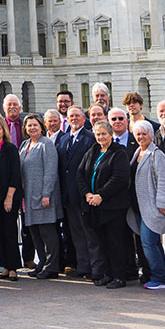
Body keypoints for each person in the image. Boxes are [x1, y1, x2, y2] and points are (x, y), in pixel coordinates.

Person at [80, 120, 134, 288]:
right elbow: (80, 173)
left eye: (104, 133)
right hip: (94, 206)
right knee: (102, 242)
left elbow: (119, 178)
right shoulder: (93, 150)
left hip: (113, 206)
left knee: (116, 242)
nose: (101, 137)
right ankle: (107, 274)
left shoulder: (119, 152)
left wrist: (101, 195)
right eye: (98, 134)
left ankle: (119, 276)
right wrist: (87, 193)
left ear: (111, 134)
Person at [130, 120, 165, 289]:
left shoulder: (157, 154)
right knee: (152, 243)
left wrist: (161, 202)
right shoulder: (137, 152)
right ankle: (161, 274)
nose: (141, 137)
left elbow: (164, 180)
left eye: (144, 134)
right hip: (139, 206)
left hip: (153, 206)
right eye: (138, 134)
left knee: (149, 243)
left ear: (151, 135)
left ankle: (161, 278)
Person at [19, 114, 61, 278]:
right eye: (29, 126)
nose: (32, 128)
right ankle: (42, 263)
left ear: (41, 126)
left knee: (47, 234)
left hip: (43, 196)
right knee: (35, 233)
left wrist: (46, 194)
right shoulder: (25, 144)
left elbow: (51, 171)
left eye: (35, 125)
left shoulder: (46, 144)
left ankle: (52, 267)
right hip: (28, 197)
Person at [58, 105, 95, 279]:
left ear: (84, 118)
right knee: (76, 234)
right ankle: (83, 266)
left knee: (89, 234)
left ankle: (95, 268)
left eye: (77, 116)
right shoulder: (64, 139)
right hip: (68, 196)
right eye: (71, 116)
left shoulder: (90, 138)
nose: (74, 119)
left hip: (83, 194)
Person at [0, 115, 23, 279]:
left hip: (8, 196)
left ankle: (13, 267)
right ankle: (4, 266)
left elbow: (15, 174)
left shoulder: (10, 148)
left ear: (4, 130)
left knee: (10, 232)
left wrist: (9, 197)